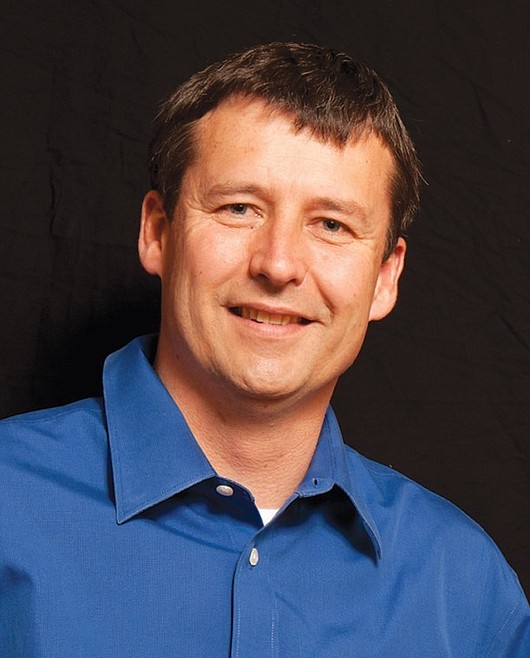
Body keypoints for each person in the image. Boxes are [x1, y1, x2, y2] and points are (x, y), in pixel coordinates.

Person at [0, 42, 528, 657]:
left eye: (331, 225)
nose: (278, 264)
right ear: (158, 233)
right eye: (239, 208)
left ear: (385, 278)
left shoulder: (464, 587)